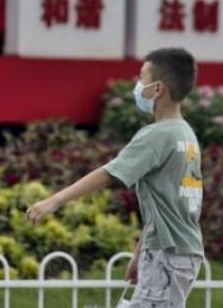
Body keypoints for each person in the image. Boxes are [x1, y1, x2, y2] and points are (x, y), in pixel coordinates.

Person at [26, 48, 204, 308]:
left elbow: (110, 174)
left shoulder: (157, 135)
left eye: (142, 78)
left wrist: (54, 201)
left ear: (158, 89)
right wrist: (140, 255)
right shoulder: (185, 135)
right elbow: (167, 207)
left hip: (167, 255)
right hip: (177, 251)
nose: (138, 85)